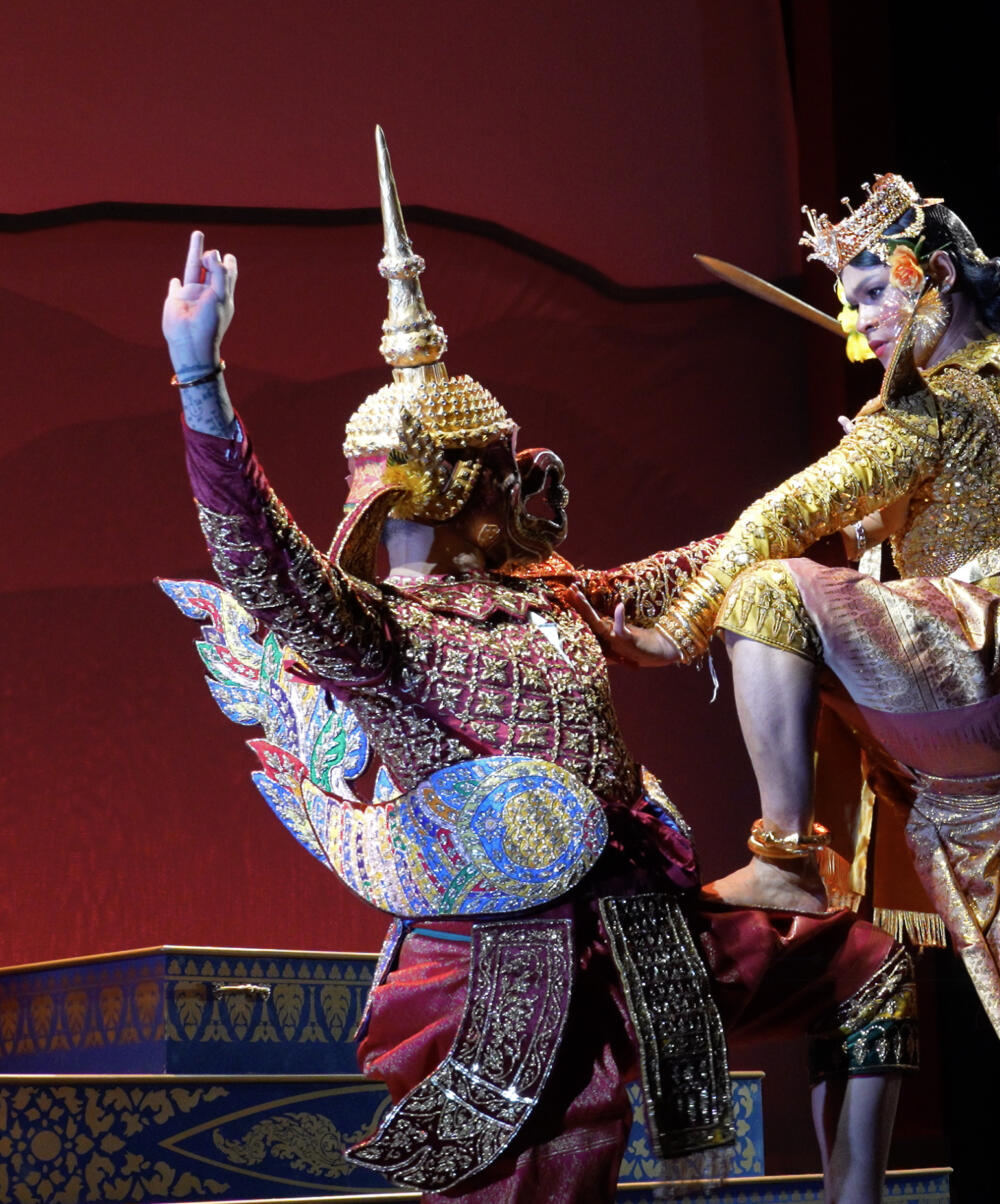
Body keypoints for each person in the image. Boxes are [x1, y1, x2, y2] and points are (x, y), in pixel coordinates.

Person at [159, 130, 915, 1204]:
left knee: (866, 968)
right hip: (503, 968)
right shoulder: (377, 630)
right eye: (495, 478)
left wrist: (859, 483)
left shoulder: (560, 592)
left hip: (641, 929)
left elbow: (721, 556)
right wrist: (201, 379)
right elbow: (262, 563)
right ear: (453, 491)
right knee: (552, 1170)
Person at [587, 174, 1000, 1201]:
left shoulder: (939, 398)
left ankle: (785, 852)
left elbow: (778, 516)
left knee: (766, 592)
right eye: (849, 303)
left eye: (873, 295)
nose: (858, 324)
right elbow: (970, 519)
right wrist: (888, 501)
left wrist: (673, 632)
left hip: (999, 662)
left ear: (929, 281)